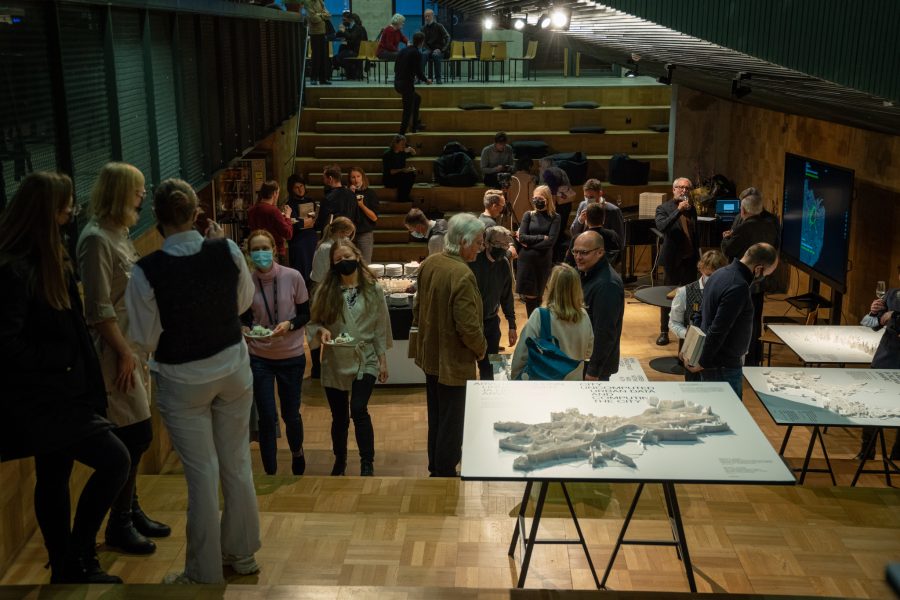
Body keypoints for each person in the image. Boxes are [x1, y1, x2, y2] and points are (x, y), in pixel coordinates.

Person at [126, 178, 261, 584]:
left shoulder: (146, 270)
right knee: (237, 462)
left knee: (202, 473)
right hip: (232, 366)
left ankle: (204, 572)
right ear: (196, 213)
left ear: (157, 218)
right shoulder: (226, 250)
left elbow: (144, 338)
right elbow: (242, 302)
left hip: (182, 376)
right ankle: (242, 554)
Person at [1, 172, 130, 584]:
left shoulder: (49, 254)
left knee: (54, 475)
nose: (72, 211)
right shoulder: (15, 269)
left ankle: (65, 565)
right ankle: (78, 553)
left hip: (64, 390)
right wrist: (59, 362)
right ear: (49, 211)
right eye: (67, 204)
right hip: (47, 396)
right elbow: (6, 341)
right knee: (115, 460)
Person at [76, 162, 170, 557]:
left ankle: (130, 510)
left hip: (134, 349)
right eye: (137, 189)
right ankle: (119, 523)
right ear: (119, 192)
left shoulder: (120, 233)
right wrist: (124, 352)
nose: (143, 195)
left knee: (138, 435)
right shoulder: (96, 239)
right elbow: (99, 308)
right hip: (116, 353)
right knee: (134, 435)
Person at [308, 239, 392, 477]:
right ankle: (340, 459)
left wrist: (382, 360)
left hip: (365, 357)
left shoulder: (373, 289)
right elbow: (314, 323)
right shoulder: (326, 291)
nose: (343, 261)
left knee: (358, 409)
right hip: (335, 358)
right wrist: (322, 331)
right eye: (338, 259)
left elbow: (380, 326)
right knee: (339, 417)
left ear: (357, 256)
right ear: (332, 264)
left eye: (347, 257)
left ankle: (367, 462)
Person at [412, 214, 487, 477]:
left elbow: (418, 308)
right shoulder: (462, 274)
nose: (480, 248)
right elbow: (468, 326)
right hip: (453, 362)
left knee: (437, 416)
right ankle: (444, 472)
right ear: (463, 241)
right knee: (452, 421)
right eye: (478, 242)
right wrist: (481, 349)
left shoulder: (430, 263)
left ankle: (435, 466)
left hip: (430, 357)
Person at [241, 229, 310, 476]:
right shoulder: (246, 282)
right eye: (255, 249)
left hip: (291, 355)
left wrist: (289, 324)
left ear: (274, 249)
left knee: (291, 415)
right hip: (260, 357)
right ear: (249, 254)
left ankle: (297, 453)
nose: (261, 253)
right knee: (267, 417)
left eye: (264, 248)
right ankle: (270, 471)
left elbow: (305, 314)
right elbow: (244, 317)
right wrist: (245, 328)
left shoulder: (293, 276)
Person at [683, 243, 779, 400]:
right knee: (727, 413)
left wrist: (693, 351)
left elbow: (700, 315)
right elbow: (718, 329)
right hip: (722, 366)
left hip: (714, 361)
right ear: (758, 269)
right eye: (767, 274)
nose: (764, 278)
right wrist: (703, 361)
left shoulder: (719, 274)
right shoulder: (738, 286)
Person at [720, 189, 780, 366]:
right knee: (755, 320)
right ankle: (754, 358)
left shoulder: (744, 228)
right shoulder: (771, 225)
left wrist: (726, 238)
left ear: (743, 210)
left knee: (741, 320)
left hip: (744, 282)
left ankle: (741, 357)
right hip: (761, 282)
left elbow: (728, 250)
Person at [511, 264, 594, 381]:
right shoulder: (584, 315)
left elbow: (522, 354)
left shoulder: (540, 315)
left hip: (546, 382)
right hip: (574, 380)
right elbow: (589, 351)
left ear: (552, 286)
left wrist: (515, 377)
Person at [857, 266, 900, 460]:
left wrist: (894, 316)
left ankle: (896, 458)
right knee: (872, 405)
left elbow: (892, 318)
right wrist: (873, 312)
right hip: (885, 359)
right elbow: (871, 324)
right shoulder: (892, 294)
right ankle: (866, 452)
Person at [668, 250, 729, 381]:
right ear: (701, 269)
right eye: (709, 275)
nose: (713, 279)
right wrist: (689, 335)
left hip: (719, 354)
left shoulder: (728, 293)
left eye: (717, 275)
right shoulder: (684, 292)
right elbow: (674, 322)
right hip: (693, 354)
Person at [572, 231, 624, 381]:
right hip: (581, 358)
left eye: (584, 253)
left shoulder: (608, 285)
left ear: (600, 252)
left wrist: (594, 370)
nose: (578, 257)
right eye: (575, 252)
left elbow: (604, 332)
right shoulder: (586, 272)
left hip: (594, 366)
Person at [309, 217, 356, 380]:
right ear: (340, 232)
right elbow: (331, 274)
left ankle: (321, 367)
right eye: (347, 234)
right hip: (322, 289)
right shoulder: (328, 248)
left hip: (322, 286)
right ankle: (318, 367)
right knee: (320, 327)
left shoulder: (326, 245)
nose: (348, 238)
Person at [654, 177, 699, 346]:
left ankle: (687, 330)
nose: (684, 191)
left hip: (690, 259)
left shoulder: (692, 209)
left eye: (687, 188)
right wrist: (678, 211)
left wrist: (698, 256)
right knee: (667, 297)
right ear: (673, 189)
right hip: (673, 260)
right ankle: (664, 331)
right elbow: (662, 227)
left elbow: (695, 234)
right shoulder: (663, 208)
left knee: (690, 297)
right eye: (680, 187)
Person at [469, 226, 517, 380]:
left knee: (490, 369)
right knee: (468, 367)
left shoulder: (504, 264)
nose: (502, 248)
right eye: (498, 244)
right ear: (487, 243)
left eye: (505, 244)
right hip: (471, 324)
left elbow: (507, 296)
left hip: (491, 323)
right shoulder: (473, 262)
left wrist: (512, 325)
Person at [515, 185, 561, 316]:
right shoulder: (528, 215)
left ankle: (537, 322)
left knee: (538, 295)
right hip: (527, 261)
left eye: (540, 198)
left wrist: (529, 245)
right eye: (534, 198)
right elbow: (522, 237)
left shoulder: (555, 217)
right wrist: (541, 237)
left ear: (547, 199)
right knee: (530, 297)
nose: (536, 201)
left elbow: (550, 241)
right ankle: (533, 323)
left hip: (542, 260)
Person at [247, 180, 293, 263]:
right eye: (278, 193)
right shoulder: (273, 211)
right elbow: (288, 234)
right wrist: (287, 216)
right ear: (275, 193)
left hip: (257, 252)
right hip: (274, 253)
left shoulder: (251, 210)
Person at [394, 31, 430, 134]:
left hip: (397, 83)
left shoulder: (403, 50)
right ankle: (402, 134)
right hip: (406, 85)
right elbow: (418, 71)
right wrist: (426, 80)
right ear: (422, 42)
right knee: (407, 111)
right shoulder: (416, 53)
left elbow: (396, 67)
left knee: (417, 98)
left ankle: (415, 125)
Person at [566, 203, 622, 268]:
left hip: (584, 273)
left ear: (586, 219)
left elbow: (568, 263)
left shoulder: (578, 238)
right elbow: (619, 256)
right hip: (608, 271)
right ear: (603, 219)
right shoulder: (613, 235)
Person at [285, 174, 317, 287]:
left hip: (311, 239)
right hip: (299, 241)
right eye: (296, 187)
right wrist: (306, 222)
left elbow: (315, 221)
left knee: (313, 271)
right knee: (301, 272)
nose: (300, 189)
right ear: (291, 189)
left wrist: (306, 222)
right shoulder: (289, 204)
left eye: (302, 186)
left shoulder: (310, 200)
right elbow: (294, 225)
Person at [571, 179, 625, 244]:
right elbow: (573, 232)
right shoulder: (582, 205)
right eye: (585, 197)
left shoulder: (613, 210)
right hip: (584, 246)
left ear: (600, 193)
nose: (587, 201)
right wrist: (580, 220)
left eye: (591, 197)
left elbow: (619, 239)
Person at [348, 166, 379, 264]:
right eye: (353, 177)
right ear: (350, 179)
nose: (356, 180)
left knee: (365, 264)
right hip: (349, 234)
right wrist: (350, 195)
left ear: (363, 177)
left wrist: (361, 205)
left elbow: (374, 217)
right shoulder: (347, 194)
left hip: (365, 234)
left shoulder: (370, 193)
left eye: (358, 176)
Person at [315, 164, 359, 231]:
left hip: (333, 235)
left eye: (324, 178)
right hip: (349, 233)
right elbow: (357, 218)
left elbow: (320, 224)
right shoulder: (352, 195)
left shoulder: (328, 198)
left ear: (330, 178)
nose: (323, 180)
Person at [382, 134, 417, 202]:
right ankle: (402, 198)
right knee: (404, 178)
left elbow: (414, 153)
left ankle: (404, 196)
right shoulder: (387, 154)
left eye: (404, 144)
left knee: (412, 174)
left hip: (400, 175)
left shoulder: (402, 152)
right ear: (395, 144)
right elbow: (390, 172)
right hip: (389, 179)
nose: (404, 146)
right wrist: (402, 170)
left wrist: (411, 149)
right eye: (402, 144)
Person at [334, 11, 367, 80]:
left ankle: (351, 72)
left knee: (339, 55)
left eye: (344, 20)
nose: (343, 21)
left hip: (357, 51)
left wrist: (344, 31)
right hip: (354, 49)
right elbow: (338, 35)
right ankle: (350, 72)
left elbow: (352, 37)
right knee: (341, 50)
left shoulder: (358, 28)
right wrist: (341, 30)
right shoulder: (351, 27)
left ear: (351, 20)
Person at [304, 0, 331, 85]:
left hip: (323, 32)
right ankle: (313, 78)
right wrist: (322, 16)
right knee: (316, 56)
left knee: (323, 56)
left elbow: (328, 15)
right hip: (314, 33)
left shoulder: (320, 1)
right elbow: (313, 18)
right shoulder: (308, 2)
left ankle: (323, 79)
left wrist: (319, 15)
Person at [420, 9, 449, 84]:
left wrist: (442, 49)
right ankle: (420, 77)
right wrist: (427, 49)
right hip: (428, 49)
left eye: (428, 16)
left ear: (432, 16)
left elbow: (448, 38)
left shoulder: (439, 26)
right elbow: (423, 42)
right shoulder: (423, 28)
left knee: (435, 55)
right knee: (423, 54)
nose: (427, 18)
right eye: (425, 16)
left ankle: (438, 78)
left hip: (439, 49)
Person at [508, 157, 536, 227]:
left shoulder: (509, 179)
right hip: (527, 215)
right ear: (529, 167)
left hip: (512, 215)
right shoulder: (530, 179)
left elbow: (507, 197)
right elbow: (532, 198)